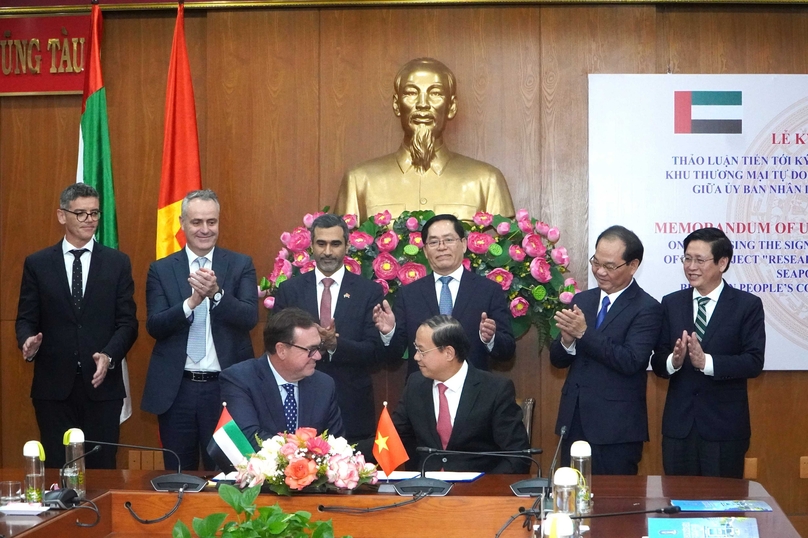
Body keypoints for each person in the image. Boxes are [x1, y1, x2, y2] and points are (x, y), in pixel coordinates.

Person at [16, 183, 138, 469]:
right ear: (62, 216)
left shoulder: (117, 263)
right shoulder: (38, 263)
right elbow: (25, 318)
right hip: (53, 389)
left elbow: (127, 323)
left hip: (102, 388)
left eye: (94, 213)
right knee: (58, 471)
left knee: (101, 471)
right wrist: (27, 342)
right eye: (81, 214)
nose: (90, 220)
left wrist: (108, 356)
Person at [141, 189, 258, 471]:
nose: (205, 229)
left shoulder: (240, 264)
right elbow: (155, 325)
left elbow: (249, 317)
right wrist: (191, 302)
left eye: (211, 222)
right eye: (196, 222)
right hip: (177, 390)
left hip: (226, 389)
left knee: (230, 474)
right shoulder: (162, 269)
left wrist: (216, 295)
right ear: (182, 223)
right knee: (178, 474)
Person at [335, 57, 515, 221]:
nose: (422, 104)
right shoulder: (359, 181)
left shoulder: (486, 181)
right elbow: (341, 249)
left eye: (435, 93)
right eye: (411, 93)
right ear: (397, 105)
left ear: (451, 107)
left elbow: (506, 250)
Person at [651, 227, 765, 478]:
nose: (691, 266)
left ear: (722, 263)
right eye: (687, 258)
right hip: (678, 429)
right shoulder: (671, 303)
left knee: (721, 508)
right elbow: (658, 360)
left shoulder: (747, 305)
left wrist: (707, 362)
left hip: (724, 430)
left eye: (700, 260)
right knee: (678, 504)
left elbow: (753, 361)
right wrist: (674, 361)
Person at [550, 225, 662, 475]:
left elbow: (631, 360)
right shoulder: (583, 300)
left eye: (610, 266)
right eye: (596, 262)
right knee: (570, 498)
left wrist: (583, 333)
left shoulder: (647, 308)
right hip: (574, 421)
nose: (600, 271)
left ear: (633, 265)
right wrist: (566, 341)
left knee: (614, 506)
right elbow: (557, 361)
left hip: (616, 430)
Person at [273, 214, 383, 444]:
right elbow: (275, 346)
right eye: (321, 244)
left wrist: (336, 345)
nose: (327, 252)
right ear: (311, 245)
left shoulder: (368, 291)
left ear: (347, 246)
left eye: (335, 244)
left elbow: (374, 351)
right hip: (299, 404)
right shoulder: (289, 290)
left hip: (351, 408)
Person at [373, 213, 514, 375]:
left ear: (463, 244)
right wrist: (389, 333)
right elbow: (392, 357)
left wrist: (490, 339)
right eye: (433, 242)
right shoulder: (409, 294)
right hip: (422, 392)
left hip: (473, 392)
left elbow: (507, 351)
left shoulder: (488, 290)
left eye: (448, 240)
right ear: (425, 251)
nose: (441, 247)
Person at [385, 315, 529, 473]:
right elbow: (391, 437)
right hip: (425, 488)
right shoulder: (415, 385)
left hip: (478, 490)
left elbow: (518, 456)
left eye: (422, 351)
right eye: (416, 349)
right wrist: (354, 456)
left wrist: (485, 488)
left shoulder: (495, 390)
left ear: (448, 353)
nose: (416, 357)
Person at [219, 308, 344, 449]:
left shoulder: (324, 385)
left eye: (319, 348)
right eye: (311, 350)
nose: (318, 356)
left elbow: (335, 442)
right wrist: (303, 454)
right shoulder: (240, 379)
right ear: (281, 350)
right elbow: (248, 438)